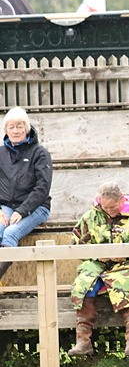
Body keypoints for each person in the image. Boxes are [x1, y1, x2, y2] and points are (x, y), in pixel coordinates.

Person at [67, 182, 129, 357]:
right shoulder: (90, 217)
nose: (109, 211)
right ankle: (83, 340)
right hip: (98, 264)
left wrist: (126, 256)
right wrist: (96, 256)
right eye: (105, 207)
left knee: (127, 281)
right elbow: (77, 243)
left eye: (113, 206)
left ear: (122, 200)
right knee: (83, 283)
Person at [0, 107, 53, 281]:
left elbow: (42, 187)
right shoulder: (1, 153)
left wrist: (22, 211)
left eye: (19, 126)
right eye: (11, 127)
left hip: (36, 207)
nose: (16, 131)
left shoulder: (40, 153)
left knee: (10, 233)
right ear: (6, 130)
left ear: (26, 128)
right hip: (7, 206)